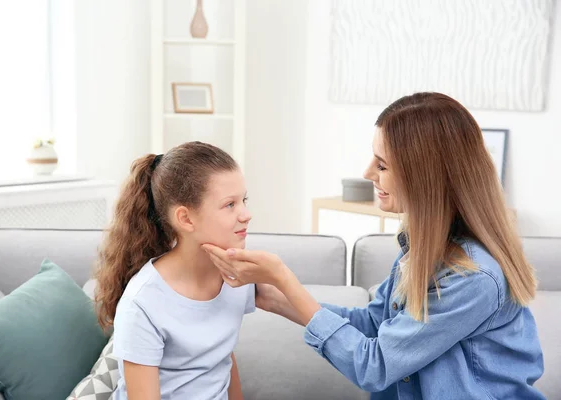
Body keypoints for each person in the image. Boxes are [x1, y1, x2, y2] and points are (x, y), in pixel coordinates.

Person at [203, 92, 545, 399]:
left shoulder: (473, 278)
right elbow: (374, 324)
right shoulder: (422, 250)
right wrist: (273, 295)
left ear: (423, 177)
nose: (368, 172)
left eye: (382, 165)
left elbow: (376, 365)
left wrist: (284, 277)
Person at [94, 141, 255, 400]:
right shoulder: (143, 302)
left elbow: (222, 356)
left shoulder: (237, 275)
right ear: (186, 219)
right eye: (230, 205)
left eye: (244, 200)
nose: (246, 214)